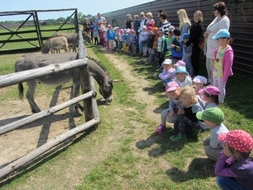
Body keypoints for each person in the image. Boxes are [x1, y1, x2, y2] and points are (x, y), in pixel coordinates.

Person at [204, 2, 230, 84]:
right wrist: (206, 33)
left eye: (214, 9)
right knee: (208, 66)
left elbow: (224, 34)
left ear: (219, 10)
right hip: (209, 47)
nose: (213, 11)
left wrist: (210, 34)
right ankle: (210, 81)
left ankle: (215, 84)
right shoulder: (216, 19)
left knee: (214, 66)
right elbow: (210, 29)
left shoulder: (225, 20)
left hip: (216, 47)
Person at [212, 29, 234, 104]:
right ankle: (215, 99)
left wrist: (225, 77)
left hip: (222, 74)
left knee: (221, 88)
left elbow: (228, 65)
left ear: (225, 40)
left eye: (218, 39)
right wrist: (213, 70)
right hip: (216, 72)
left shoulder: (228, 51)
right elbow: (216, 61)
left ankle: (220, 101)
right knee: (215, 86)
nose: (217, 41)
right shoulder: (218, 49)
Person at [185, 10, 204, 76]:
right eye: (194, 16)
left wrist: (187, 43)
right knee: (192, 59)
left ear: (199, 17)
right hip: (192, 45)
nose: (195, 17)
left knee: (195, 60)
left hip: (196, 46)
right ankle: (192, 72)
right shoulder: (194, 25)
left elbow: (194, 37)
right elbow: (190, 35)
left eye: (196, 16)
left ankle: (196, 74)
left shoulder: (199, 25)